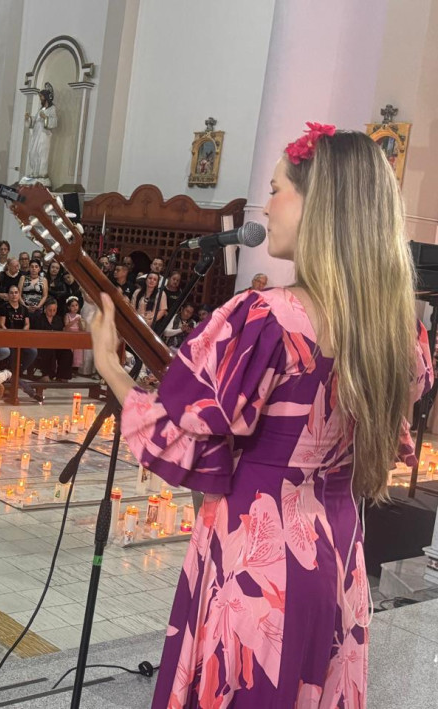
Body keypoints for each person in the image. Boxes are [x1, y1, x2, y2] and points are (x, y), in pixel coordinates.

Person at [89, 126, 433, 707]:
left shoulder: (265, 319)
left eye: (276, 189)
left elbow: (180, 437)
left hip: (258, 566)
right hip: (337, 558)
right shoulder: (398, 333)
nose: (265, 205)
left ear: (318, 204)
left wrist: (111, 368)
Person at [31, 298, 72, 381]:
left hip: (56, 343)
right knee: (48, 350)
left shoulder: (58, 319)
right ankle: (47, 374)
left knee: (67, 352)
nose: (52, 312)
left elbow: (60, 333)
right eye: (50, 310)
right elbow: (35, 333)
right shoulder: (38, 318)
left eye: (54, 310)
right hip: (41, 344)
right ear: (45, 309)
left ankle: (62, 376)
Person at [0, 285, 35, 376]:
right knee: (13, 350)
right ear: (8, 295)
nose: (14, 295)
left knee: (33, 351)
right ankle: (11, 371)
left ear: (19, 294)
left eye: (16, 292)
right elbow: (2, 324)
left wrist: (21, 333)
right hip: (8, 337)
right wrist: (10, 334)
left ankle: (19, 371)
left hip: (21, 337)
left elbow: (27, 324)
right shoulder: (3, 307)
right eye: (11, 293)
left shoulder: (24, 309)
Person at [64, 296, 85, 371]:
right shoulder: (67, 315)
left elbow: (82, 329)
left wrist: (80, 322)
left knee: (77, 352)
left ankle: (75, 367)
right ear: (69, 307)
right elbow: (66, 327)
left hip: (77, 336)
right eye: (72, 306)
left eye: (76, 305)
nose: (75, 307)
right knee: (70, 351)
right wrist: (74, 321)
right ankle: (68, 367)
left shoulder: (79, 316)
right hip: (70, 335)